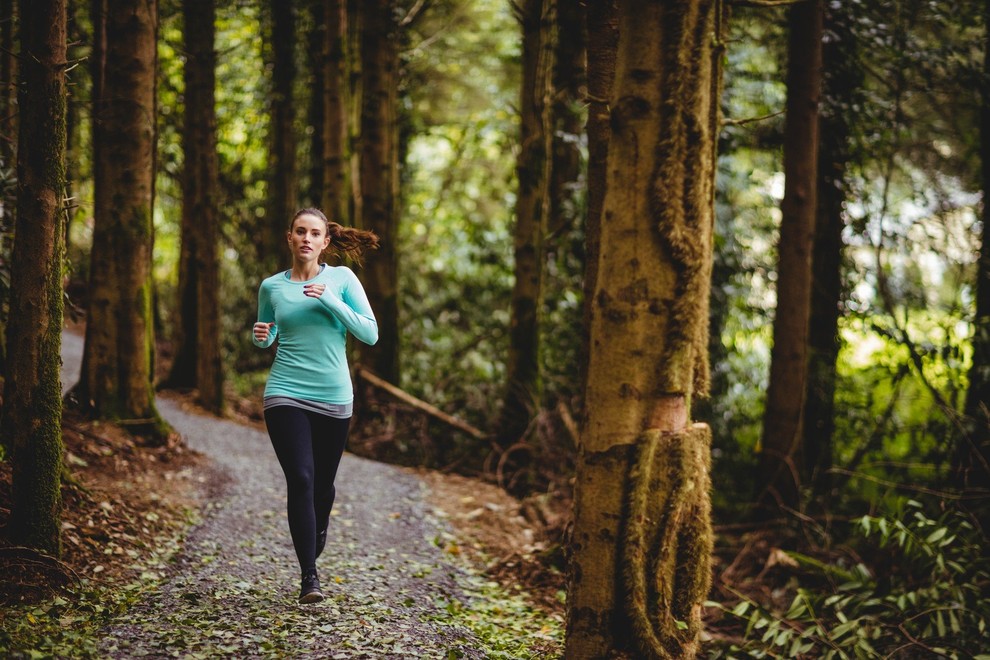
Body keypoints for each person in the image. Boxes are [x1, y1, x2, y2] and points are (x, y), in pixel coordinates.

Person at [252, 208, 379, 603]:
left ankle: (317, 528)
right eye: (300, 231)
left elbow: (370, 333)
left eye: (315, 233)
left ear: (325, 242)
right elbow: (265, 334)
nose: (306, 238)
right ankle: (310, 577)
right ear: (289, 237)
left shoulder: (341, 279)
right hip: (285, 392)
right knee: (302, 480)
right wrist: (261, 337)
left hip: (334, 397)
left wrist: (330, 302)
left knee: (322, 486)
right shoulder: (271, 287)